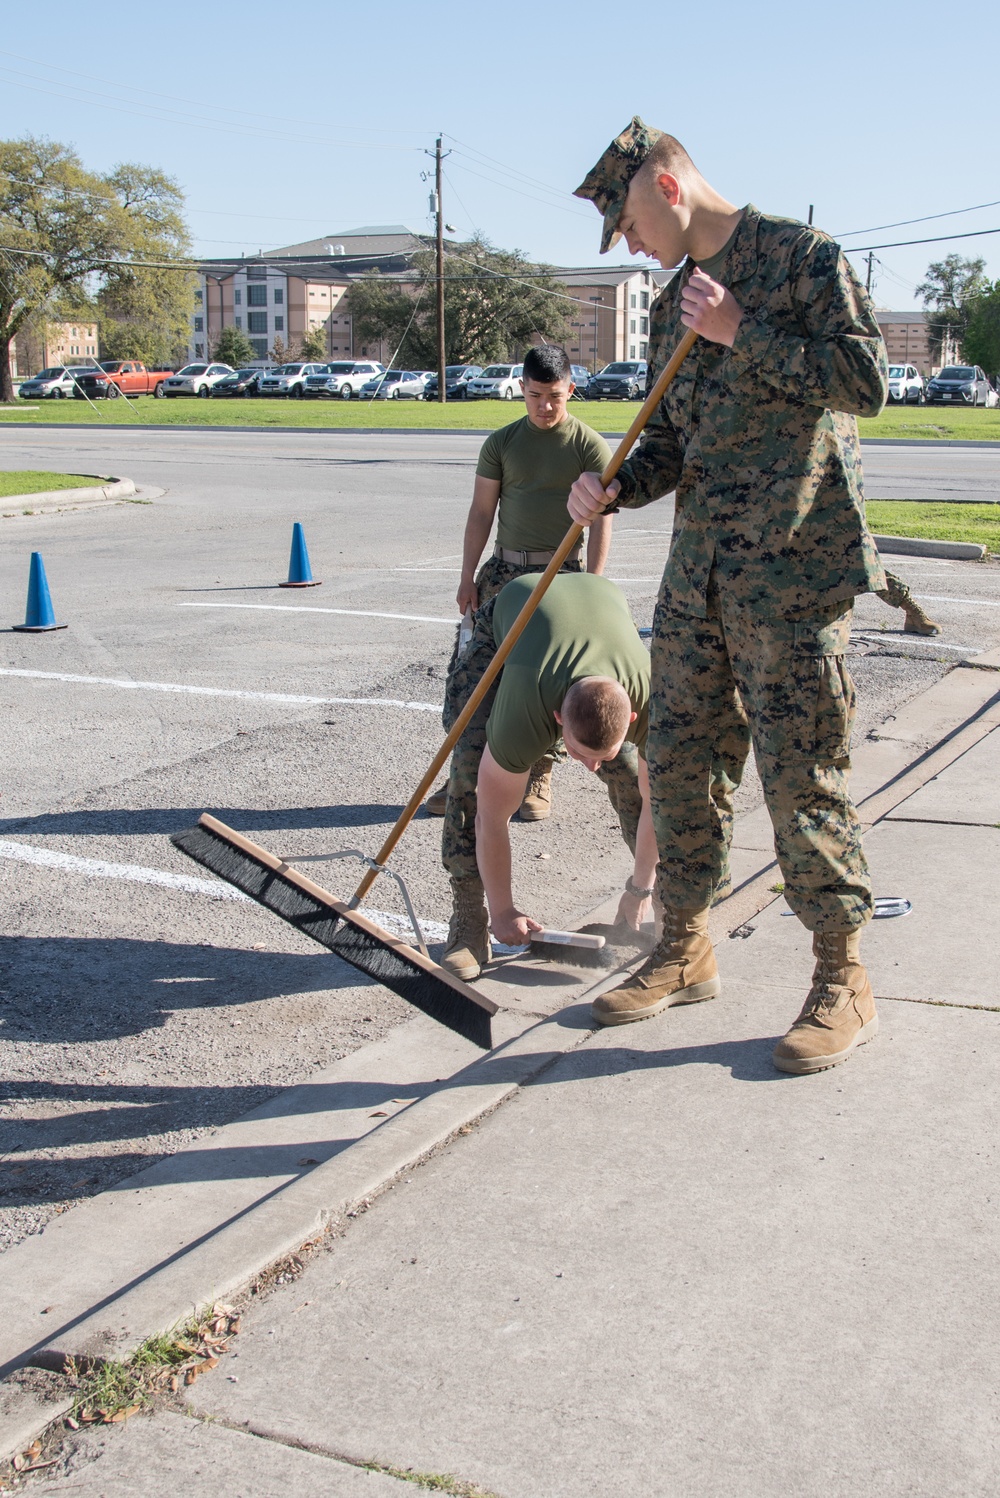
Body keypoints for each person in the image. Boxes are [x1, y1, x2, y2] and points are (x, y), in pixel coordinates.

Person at [568, 118, 890, 1075]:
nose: (627, 242)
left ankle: (843, 976)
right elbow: (673, 440)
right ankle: (685, 947)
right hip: (699, 576)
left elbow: (865, 381)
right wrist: (617, 483)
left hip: (790, 578)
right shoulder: (676, 304)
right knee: (679, 768)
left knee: (803, 781)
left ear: (667, 187)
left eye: (625, 220)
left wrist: (741, 332)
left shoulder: (801, 258)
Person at [440, 572, 671, 985]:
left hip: (598, 602)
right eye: (578, 754)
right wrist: (503, 909)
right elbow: (490, 820)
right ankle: (470, 921)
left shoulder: (654, 698)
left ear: (633, 718)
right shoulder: (524, 708)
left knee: (643, 782)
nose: (591, 767)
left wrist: (639, 889)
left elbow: (661, 803)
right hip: (517, 610)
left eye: (602, 754)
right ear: (557, 720)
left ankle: (666, 901)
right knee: (469, 774)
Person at [425, 344, 613, 823]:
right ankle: (464, 775)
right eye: (534, 396)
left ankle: (539, 774)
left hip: (560, 578)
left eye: (554, 396)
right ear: (522, 391)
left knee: (548, 679)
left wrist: (592, 584)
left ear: (572, 389)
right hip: (503, 575)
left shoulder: (589, 445)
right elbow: (481, 512)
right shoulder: (502, 443)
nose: (545, 406)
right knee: (472, 677)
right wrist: (467, 576)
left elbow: (602, 522)